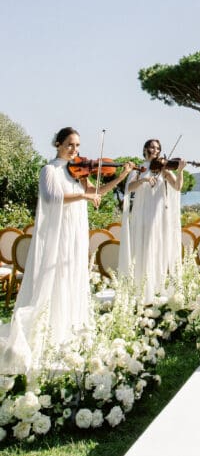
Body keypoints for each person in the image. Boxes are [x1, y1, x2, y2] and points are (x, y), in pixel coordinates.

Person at [0, 127, 133, 375]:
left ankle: (70, 329)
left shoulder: (79, 172)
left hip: (76, 232)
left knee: (72, 275)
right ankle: (49, 331)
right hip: (58, 234)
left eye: (78, 146)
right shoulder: (49, 170)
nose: (75, 150)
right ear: (58, 144)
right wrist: (83, 196)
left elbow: (98, 193)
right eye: (70, 145)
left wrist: (121, 176)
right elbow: (53, 198)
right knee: (54, 277)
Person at [119, 139, 185, 303]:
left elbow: (177, 187)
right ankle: (142, 287)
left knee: (158, 245)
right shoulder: (139, 168)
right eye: (152, 147)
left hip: (158, 213)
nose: (155, 150)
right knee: (144, 245)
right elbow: (129, 188)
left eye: (158, 148)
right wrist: (143, 180)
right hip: (142, 213)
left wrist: (181, 170)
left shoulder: (163, 169)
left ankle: (157, 286)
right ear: (145, 149)